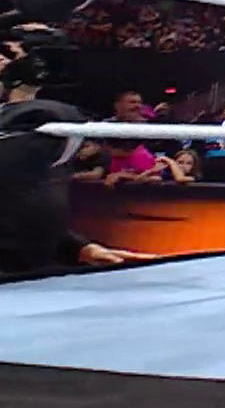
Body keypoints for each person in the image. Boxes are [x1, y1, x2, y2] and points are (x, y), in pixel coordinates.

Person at [0, 23, 152, 275]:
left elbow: (20, 198)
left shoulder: (38, 123)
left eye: (8, 56)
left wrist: (77, 248)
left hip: (29, 267)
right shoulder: (34, 120)